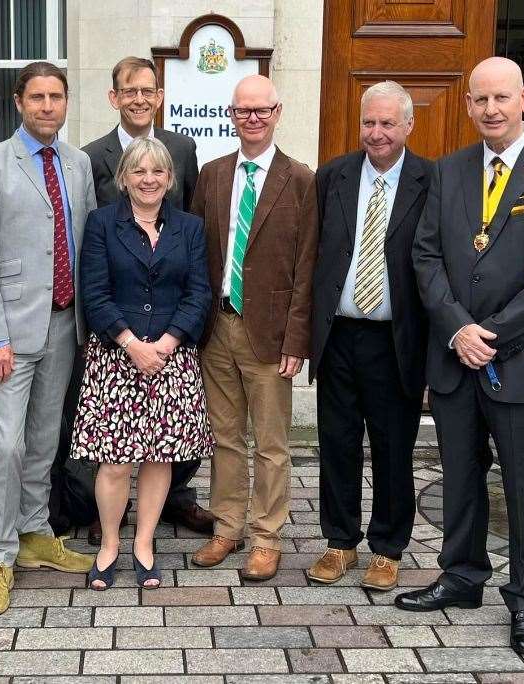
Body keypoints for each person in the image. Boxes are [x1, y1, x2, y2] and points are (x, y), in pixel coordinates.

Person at [399, 57, 524, 656]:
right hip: (456, 358)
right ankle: (462, 576)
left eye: (502, 98)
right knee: (458, 476)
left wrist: (492, 334)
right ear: (468, 105)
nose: (491, 110)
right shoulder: (450, 172)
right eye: (480, 100)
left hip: (522, 360)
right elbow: (425, 257)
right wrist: (457, 328)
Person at [0, 61, 97, 617]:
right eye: (37, 97)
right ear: (19, 101)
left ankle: (36, 532)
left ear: (66, 102)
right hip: (10, 334)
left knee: (45, 438)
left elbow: (85, 241)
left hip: (66, 322)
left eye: (56, 96)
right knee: (6, 444)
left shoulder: (79, 163)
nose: (47, 106)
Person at [72, 56, 211, 546]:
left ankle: (159, 519)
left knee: (164, 449)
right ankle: (108, 523)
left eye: (147, 90)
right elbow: (94, 274)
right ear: (114, 97)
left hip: (171, 336)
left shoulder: (183, 149)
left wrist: (172, 338)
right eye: (128, 90)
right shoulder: (90, 158)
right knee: (113, 452)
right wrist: (127, 339)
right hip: (118, 337)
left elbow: (193, 254)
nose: (138, 99)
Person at [190, 75, 319, 581]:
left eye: (262, 110)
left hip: (270, 335)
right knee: (224, 437)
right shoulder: (213, 175)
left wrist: (297, 338)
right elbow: (199, 253)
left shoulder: (301, 179)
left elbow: (307, 266)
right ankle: (228, 527)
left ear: (277, 111)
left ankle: (267, 536)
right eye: (244, 110)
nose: (253, 118)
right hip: (217, 328)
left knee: (270, 443)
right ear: (232, 114)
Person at [307, 81, 432, 591]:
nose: (375, 133)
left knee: (392, 446)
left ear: (407, 125)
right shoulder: (332, 176)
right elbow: (315, 254)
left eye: (386, 123)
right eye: (368, 123)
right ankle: (340, 542)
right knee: (336, 443)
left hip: (395, 339)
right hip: (338, 335)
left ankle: (388, 548)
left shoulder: (432, 180)